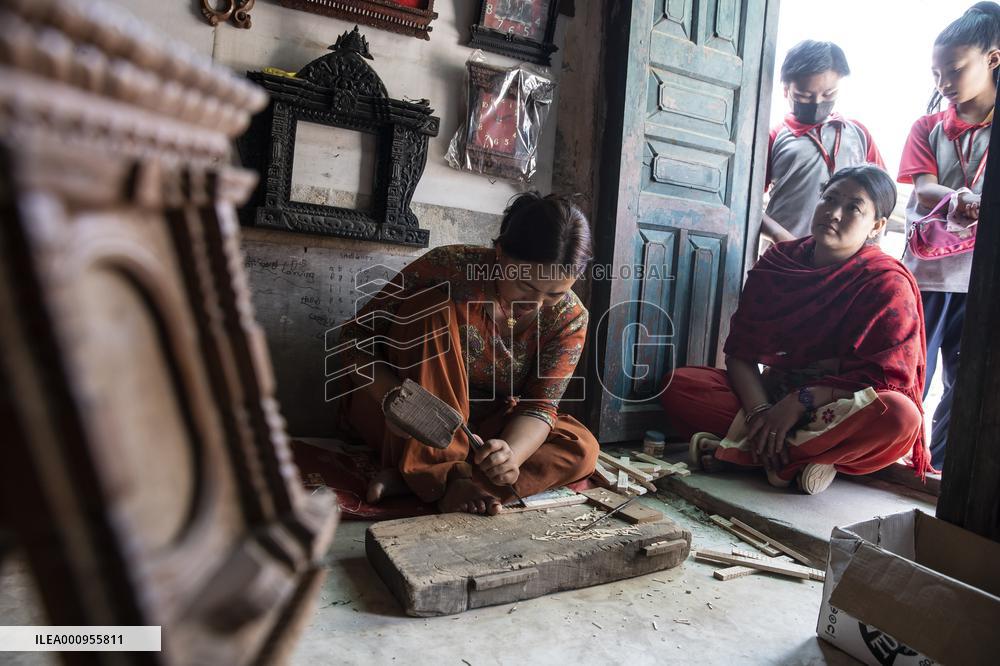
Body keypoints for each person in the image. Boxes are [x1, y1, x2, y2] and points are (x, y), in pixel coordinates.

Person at [660, 166, 931, 495]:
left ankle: (743, 453)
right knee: (681, 386)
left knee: (900, 418)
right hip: (773, 399)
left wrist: (801, 400)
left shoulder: (887, 283)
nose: (833, 213)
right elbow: (740, 355)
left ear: (877, 225)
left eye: (853, 207)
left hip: (838, 409)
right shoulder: (780, 263)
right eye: (829, 199)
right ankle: (799, 459)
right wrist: (761, 412)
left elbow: (886, 383)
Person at [334, 193, 598, 515]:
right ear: (500, 253)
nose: (537, 305)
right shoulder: (448, 269)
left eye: (554, 294)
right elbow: (352, 338)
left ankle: (432, 482)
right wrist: (395, 400)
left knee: (581, 447)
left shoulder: (570, 317)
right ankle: (435, 473)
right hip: (399, 419)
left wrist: (511, 456)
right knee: (432, 310)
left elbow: (540, 405)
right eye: (526, 286)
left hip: (476, 430)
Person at [898, 2, 999, 470]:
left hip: (980, 281)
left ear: (993, 60)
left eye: (954, 70)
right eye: (936, 73)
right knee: (909, 374)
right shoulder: (928, 126)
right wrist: (960, 197)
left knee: (967, 384)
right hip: (925, 279)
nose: (944, 84)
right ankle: (892, 461)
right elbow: (921, 193)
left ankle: (941, 469)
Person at [762, 40, 885, 249]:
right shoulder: (773, 137)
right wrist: (779, 236)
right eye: (804, 95)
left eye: (829, 94)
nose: (817, 102)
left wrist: (871, 251)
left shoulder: (859, 134)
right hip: (785, 259)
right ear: (786, 90)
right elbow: (746, 202)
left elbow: (880, 200)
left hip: (843, 262)